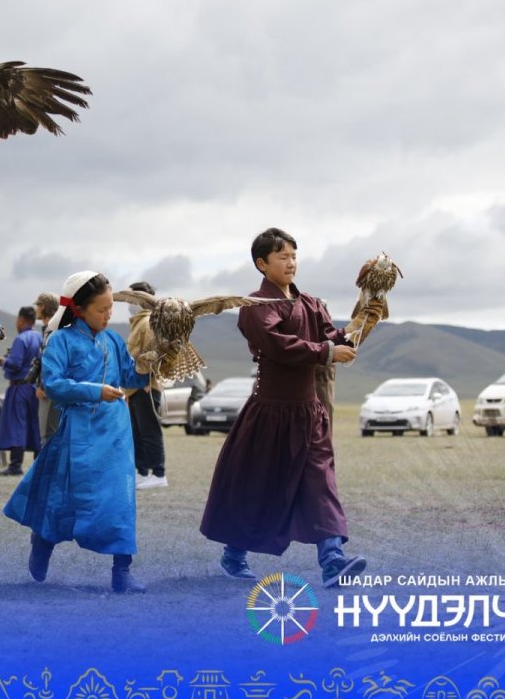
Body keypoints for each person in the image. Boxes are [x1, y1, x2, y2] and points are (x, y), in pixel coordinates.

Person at [199, 228, 366, 589]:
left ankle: (333, 561)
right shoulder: (255, 307)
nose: (291, 262)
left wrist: (359, 324)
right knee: (257, 485)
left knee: (321, 483)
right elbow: (277, 345)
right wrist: (326, 352)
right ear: (262, 264)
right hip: (270, 413)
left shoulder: (311, 303)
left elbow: (330, 336)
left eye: (293, 255)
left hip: (310, 412)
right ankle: (234, 555)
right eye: (282, 256)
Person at [4, 271, 151, 594]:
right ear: (80, 309)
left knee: (121, 499)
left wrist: (153, 364)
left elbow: (132, 376)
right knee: (61, 499)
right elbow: (53, 385)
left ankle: (122, 570)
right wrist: (95, 391)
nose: (108, 315)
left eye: (111, 308)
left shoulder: (114, 340)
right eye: (102, 309)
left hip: (116, 434)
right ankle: (42, 542)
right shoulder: (61, 340)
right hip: (78, 433)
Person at [124, 281, 169, 490]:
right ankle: (141, 472)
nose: (130, 302)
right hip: (134, 387)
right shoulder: (137, 323)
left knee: (150, 431)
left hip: (146, 386)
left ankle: (159, 473)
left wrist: (148, 380)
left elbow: (155, 353)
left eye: (134, 298)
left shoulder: (150, 322)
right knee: (137, 432)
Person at [0, 306, 42, 476]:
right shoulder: (40, 337)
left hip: (19, 387)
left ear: (21, 320)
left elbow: (15, 363)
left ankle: (15, 465)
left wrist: (2, 361)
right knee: (35, 425)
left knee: (17, 425)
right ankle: (38, 464)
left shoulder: (21, 339)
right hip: (35, 388)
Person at [31, 292, 61, 449]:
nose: (36, 309)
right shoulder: (52, 329)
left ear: (43, 307)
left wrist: (42, 385)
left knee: (48, 436)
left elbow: (52, 359)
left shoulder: (53, 331)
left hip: (49, 389)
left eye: (38, 305)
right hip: (53, 386)